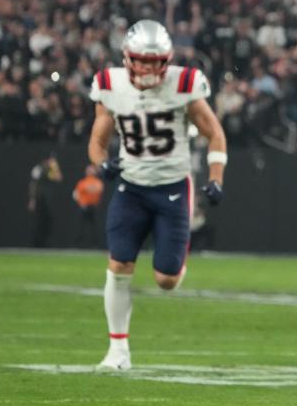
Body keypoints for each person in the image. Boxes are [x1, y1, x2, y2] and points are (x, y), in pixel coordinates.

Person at [88, 19, 227, 371]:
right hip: (130, 187)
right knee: (119, 265)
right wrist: (101, 164)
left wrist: (216, 177)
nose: (148, 68)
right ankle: (117, 351)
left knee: (166, 280)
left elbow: (214, 134)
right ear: (127, 58)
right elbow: (97, 140)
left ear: (166, 60)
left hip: (172, 188)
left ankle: (175, 257)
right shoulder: (110, 85)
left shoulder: (184, 83)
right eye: (141, 60)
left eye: (155, 61)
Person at [28, 153, 63, 247]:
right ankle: (35, 243)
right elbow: (33, 184)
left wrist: (55, 168)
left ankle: (43, 243)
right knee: (38, 221)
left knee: (46, 221)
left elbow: (59, 178)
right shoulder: (40, 168)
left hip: (46, 199)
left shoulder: (50, 169)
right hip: (39, 198)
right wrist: (32, 199)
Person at [72, 164, 105, 248]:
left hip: (93, 207)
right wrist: (81, 201)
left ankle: (95, 245)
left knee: (94, 227)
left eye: (91, 170)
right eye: (88, 170)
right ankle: (77, 244)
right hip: (84, 207)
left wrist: (89, 189)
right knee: (80, 226)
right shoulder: (82, 182)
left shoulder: (97, 181)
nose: (90, 171)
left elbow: (98, 189)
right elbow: (76, 194)